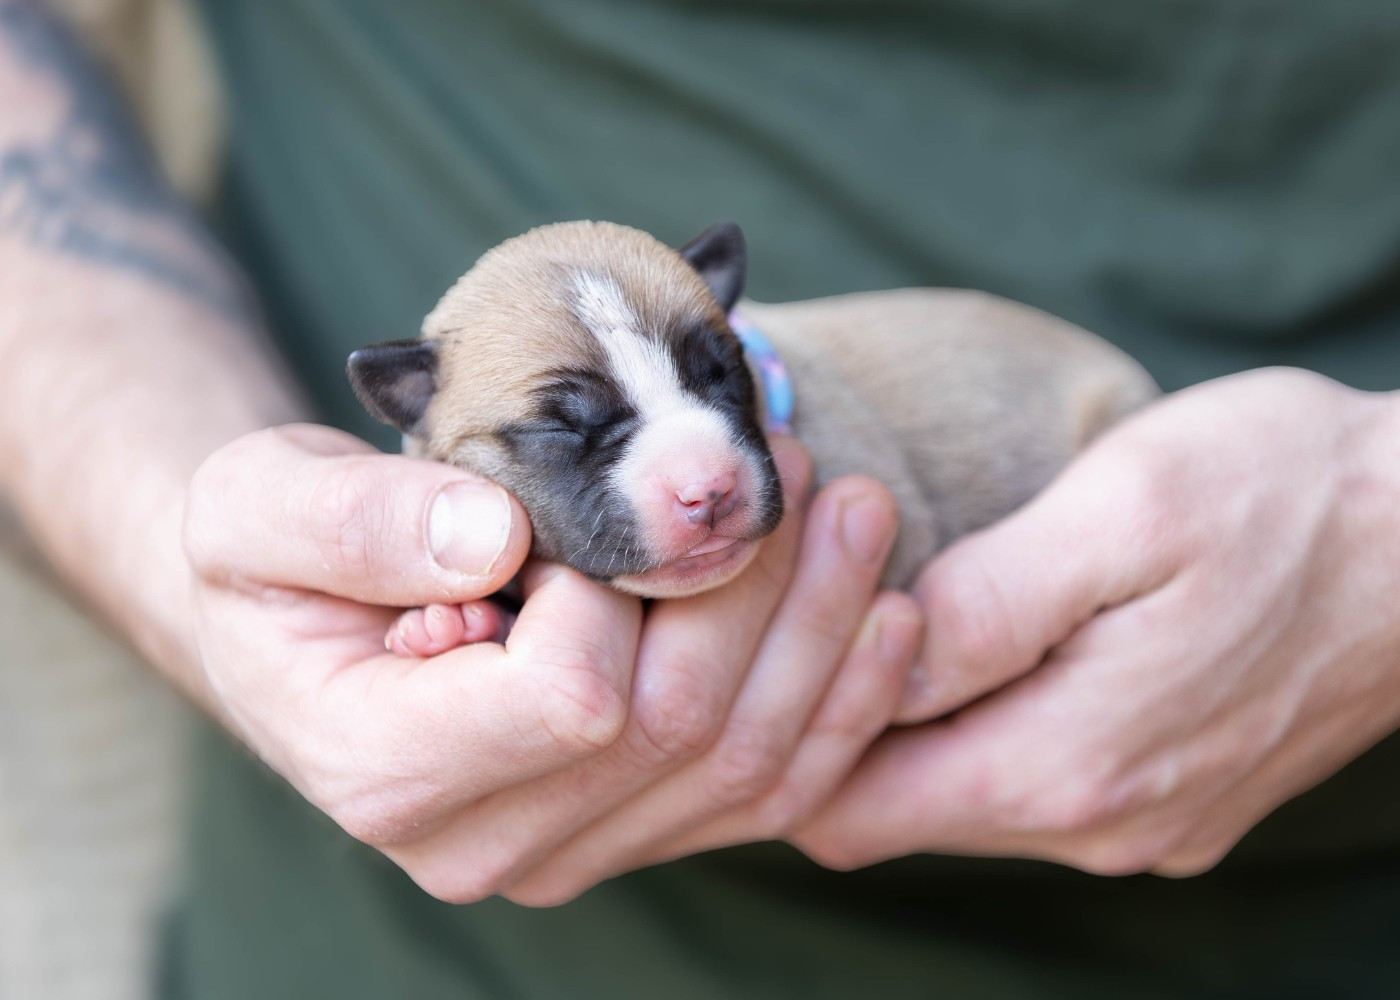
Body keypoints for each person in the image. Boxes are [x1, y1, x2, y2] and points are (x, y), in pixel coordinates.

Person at [3, 0, 1399, 996]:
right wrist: (201, 553)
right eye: (571, 430)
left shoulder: (812, 433)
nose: (707, 477)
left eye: (714, 384)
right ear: (408, 409)